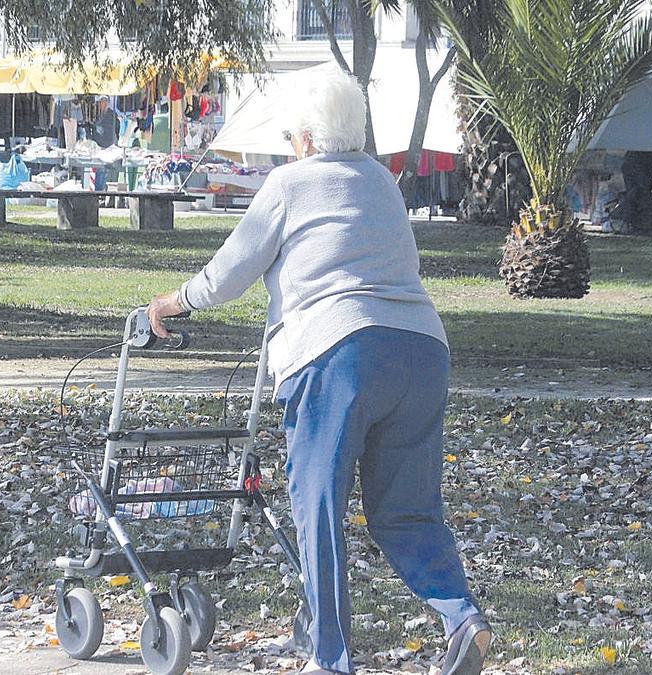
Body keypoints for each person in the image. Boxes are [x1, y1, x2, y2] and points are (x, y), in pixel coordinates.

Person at [145, 67, 490, 675]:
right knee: (405, 510)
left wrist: (173, 303)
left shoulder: (289, 183)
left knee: (319, 506)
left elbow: (232, 270)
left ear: (305, 138)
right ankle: (461, 616)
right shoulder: (384, 184)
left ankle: (330, 661)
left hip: (338, 353)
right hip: (422, 350)